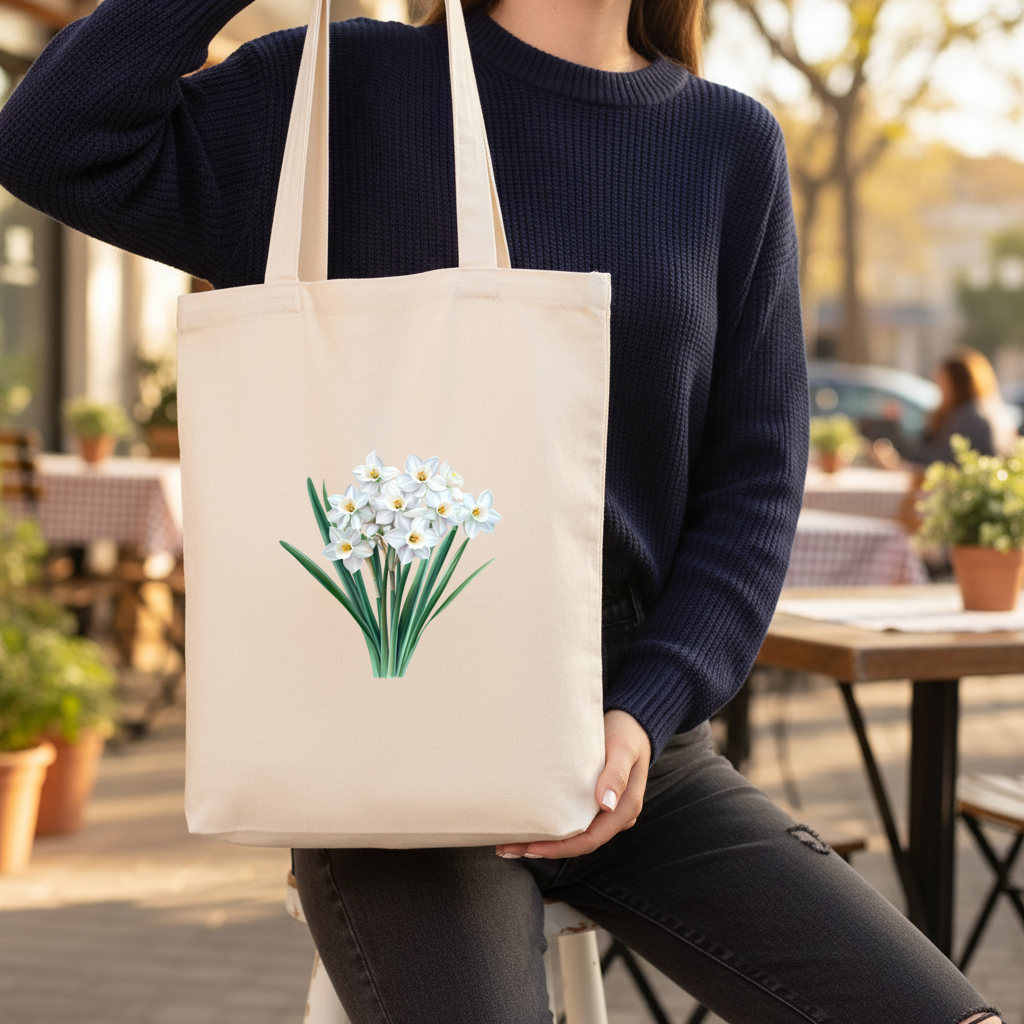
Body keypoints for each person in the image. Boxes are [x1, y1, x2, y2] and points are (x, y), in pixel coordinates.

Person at [0, 0, 1002, 1021]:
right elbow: (51, 139)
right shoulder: (337, 91)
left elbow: (751, 487)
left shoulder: (725, 143)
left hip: (630, 730)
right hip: (382, 739)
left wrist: (647, 709)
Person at [906, 349, 1019, 467]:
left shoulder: (971, 416)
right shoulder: (989, 410)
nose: (940, 393)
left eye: (943, 385)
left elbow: (943, 460)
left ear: (958, 384)